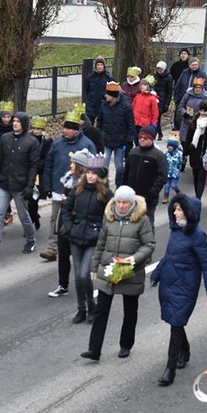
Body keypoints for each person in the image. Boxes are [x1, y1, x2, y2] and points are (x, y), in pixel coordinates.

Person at [81, 185, 154, 361]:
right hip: (109, 269)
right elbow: (101, 244)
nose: (121, 206)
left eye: (125, 202)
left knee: (130, 310)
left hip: (130, 272)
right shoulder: (109, 218)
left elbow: (149, 245)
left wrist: (133, 259)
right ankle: (94, 350)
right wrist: (94, 267)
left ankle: (126, 344)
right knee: (101, 310)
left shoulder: (142, 220)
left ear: (132, 203)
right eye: (119, 202)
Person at [152, 194, 207, 386]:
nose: (175, 212)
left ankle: (169, 369)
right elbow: (168, 256)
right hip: (169, 282)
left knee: (176, 321)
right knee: (175, 321)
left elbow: (206, 264)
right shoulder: (175, 230)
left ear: (189, 212)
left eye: (179, 209)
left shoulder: (197, 235)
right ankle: (185, 349)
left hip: (186, 286)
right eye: (175, 208)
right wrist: (157, 273)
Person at [60, 154, 113, 324]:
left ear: (100, 175)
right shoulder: (78, 189)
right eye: (88, 172)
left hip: (93, 238)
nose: (90, 176)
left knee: (85, 274)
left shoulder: (105, 193)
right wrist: (69, 227)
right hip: (76, 236)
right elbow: (67, 209)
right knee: (77, 276)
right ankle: (81, 309)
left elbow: (110, 216)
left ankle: (92, 305)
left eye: (94, 173)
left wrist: (101, 233)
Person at [39, 113, 96, 262]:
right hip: (60, 188)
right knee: (55, 218)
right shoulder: (57, 143)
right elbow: (49, 163)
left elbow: (96, 168)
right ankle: (52, 248)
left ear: (76, 130)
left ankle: (76, 246)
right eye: (64, 128)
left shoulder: (88, 145)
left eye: (68, 128)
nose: (64, 131)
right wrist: (47, 185)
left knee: (76, 218)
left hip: (80, 191)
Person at [0, 112, 40, 258]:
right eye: (14, 121)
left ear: (24, 124)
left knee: (23, 216)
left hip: (20, 185)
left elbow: (34, 166)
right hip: (4, 183)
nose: (15, 123)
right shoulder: (5, 138)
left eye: (18, 122)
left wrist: (30, 185)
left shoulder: (31, 142)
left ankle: (30, 239)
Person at [48, 150, 90, 299]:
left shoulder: (86, 184)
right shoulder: (68, 179)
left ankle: (85, 286)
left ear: (81, 166)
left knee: (80, 258)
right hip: (65, 221)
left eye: (74, 163)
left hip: (78, 223)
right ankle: (63, 285)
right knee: (63, 254)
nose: (70, 165)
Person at [121, 126, 168, 226]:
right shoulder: (133, 152)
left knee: (147, 225)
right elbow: (126, 172)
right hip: (132, 197)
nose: (142, 139)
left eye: (145, 138)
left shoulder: (158, 156)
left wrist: (152, 192)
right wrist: (124, 187)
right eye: (140, 137)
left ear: (152, 139)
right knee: (130, 224)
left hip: (148, 200)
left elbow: (162, 176)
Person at [96, 81, 135, 187]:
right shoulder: (104, 105)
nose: (105, 96)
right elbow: (99, 121)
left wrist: (129, 140)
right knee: (104, 165)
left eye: (107, 94)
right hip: (106, 140)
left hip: (120, 142)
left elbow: (130, 124)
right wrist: (99, 134)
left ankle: (119, 185)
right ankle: (104, 186)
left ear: (113, 96)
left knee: (119, 167)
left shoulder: (125, 107)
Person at [185, 101, 207, 199]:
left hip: (206, 152)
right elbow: (189, 136)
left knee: (201, 176)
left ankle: (198, 197)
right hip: (195, 152)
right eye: (201, 110)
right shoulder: (194, 121)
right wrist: (186, 151)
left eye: (205, 111)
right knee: (195, 175)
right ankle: (197, 193)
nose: (202, 113)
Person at [177, 77, 207, 148]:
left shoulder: (206, 97)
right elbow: (181, 106)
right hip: (187, 122)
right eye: (196, 87)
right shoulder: (188, 94)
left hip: (199, 123)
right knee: (185, 141)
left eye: (200, 87)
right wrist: (184, 113)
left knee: (196, 141)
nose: (198, 89)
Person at [84, 56, 114, 124]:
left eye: (101, 65)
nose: (99, 67)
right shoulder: (90, 77)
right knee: (89, 123)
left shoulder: (108, 78)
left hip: (103, 103)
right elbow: (87, 89)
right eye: (98, 65)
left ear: (104, 66)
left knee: (101, 124)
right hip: (91, 104)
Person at [153, 61, 173, 140]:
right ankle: (159, 133)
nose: (159, 71)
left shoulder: (168, 77)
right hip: (154, 98)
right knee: (155, 118)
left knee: (157, 117)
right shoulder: (154, 76)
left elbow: (169, 91)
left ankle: (156, 133)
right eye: (158, 69)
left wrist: (167, 104)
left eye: (161, 69)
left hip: (162, 100)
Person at [163, 135, 183, 203]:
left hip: (175, 173)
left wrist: (178, 169)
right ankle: (166, 197)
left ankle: (178, 192)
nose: (169, 147)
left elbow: (180, 162)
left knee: (173, 185)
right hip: (167, 172)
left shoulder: (179, 154)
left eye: (171, 146)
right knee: (166, 185)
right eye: (168, 146)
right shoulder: (166, 154)